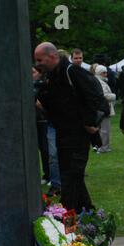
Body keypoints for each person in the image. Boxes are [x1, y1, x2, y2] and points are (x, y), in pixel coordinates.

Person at [34, 42, 99, 213]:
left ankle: (67, 218)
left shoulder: (72, 71)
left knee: (71, 178)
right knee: (72, 177)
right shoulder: (51, 76)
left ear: (52, 56)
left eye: (40, 60)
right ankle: (87, 213)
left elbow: (93, 95)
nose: (37, 64)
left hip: (77, 135)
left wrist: (89, 122)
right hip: (63, 134)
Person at [94, 65, 116, 154]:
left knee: (102, 129)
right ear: (99, 73)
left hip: (101, 108)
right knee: (104, 129)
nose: (106, 74)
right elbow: (104, 95)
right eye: (104, 72)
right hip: (103, 108)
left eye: (106, 72)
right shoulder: (100, 82)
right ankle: (103, 147)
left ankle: (102, 146)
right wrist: (113, 96)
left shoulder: (99, 81)